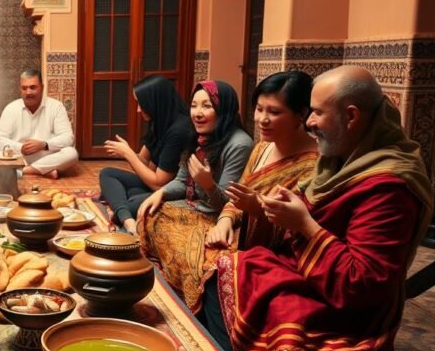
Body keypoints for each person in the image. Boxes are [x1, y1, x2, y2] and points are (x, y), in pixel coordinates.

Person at [200, 66, 434, 351]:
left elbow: (362, 284)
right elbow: (306, 216)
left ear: (352, 116)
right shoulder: (343, 157)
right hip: (310, 273)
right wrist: (280, 214)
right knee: (225, 272)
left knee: (262, 306)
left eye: (316, 113)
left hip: (347, 308)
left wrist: (305, 226)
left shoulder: (388, 184)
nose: (309, 123)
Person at [158, 72, 319, 312]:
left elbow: (294, 230)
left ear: (301, 115)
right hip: (233, 227)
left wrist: (251, 207)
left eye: (274, 112)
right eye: (259, 109)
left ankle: (205, 314)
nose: (262, 119)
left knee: (207, 263)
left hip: (266, 251)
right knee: (160, 217)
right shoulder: (263, 147)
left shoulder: (313, 165)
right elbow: (237, 194)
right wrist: (224, 220)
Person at [136, 80, 253, 309]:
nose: (198, 113)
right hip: (196, 206)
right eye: (194, 106)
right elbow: (181, 180)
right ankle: (170, 267)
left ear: (223, 109)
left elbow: (228, 204)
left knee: (188, 249)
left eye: (207, 106)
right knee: (151, 210)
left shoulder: (239, 144)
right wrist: (159, 193)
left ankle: (189, 291)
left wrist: (208, 184)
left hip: (217, 218)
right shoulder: (198, 137)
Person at [99, 75, 191, 234]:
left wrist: (129, 155)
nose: (138, 109)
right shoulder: (159, 121)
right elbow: (143, 160)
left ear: (155, 102)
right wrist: (127, 152)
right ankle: (128, 220)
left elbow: (159, 184)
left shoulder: (179, 130)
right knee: (107, 173)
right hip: (154, 185)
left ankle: (123, 215)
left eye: (141, 104)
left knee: (131, 202)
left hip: (171, 193)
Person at [0, 69, 78, 179]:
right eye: (24, 88)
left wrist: (44, 144)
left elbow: (68, 137)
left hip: (48, 156)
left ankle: (23, 172)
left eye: (33, 87)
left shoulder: (56, 107)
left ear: (42, 87)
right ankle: (44, 171)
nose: (28, 92)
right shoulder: (11, 108)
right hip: (20, 156)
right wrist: (21, 148)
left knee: (71, 154)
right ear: (20, 90)